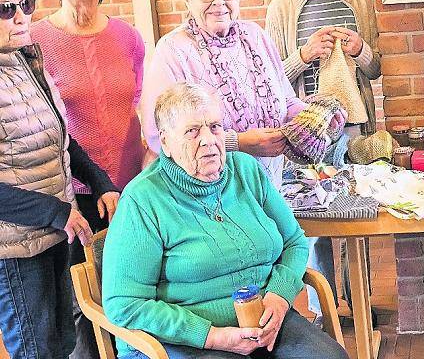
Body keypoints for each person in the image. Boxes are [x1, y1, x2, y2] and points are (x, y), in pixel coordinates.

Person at [102, 82, 348, 359]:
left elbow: (294, 241)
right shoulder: (143, 200)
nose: (208, 139)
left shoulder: (246, 171)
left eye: (215, 127)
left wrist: (279, 296)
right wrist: (211, 336)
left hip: (266, 318)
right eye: (192, 131)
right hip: (186, 338)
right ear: (166, 142)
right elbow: (125, 304)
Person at [30, 0, 146, 359]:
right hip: (75, 194)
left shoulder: (129, 38)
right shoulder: (35, 42)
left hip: (131, 187)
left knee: (133, 287)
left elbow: (134, 102)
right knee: (85, 301)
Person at [0, 0, 118, 359]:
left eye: (25, 4)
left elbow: (61, 138)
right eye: (5, 9)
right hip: (14, 249)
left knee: (65, 341)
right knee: (37, 350)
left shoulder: (24, 59)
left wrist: (100, 181)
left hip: (54, 230)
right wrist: (55, 211)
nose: (20, 17)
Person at [266, 0, 381, 319]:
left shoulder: (359, 0)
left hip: (350, 128)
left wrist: (359, 49)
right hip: (305, 133)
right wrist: (304, 54)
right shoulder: (281, 7)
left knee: (356, 216)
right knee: (312, 222)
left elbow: (376, 68)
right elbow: (271, 76)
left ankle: (358, 306)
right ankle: (321, 309)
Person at [140, 0, 305, 190]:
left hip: (270, 189)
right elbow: (158, 137)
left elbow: (287, 102)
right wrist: (236, 142)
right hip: (208, 196)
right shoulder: (173, 51)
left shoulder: (256, 37)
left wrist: (312, 117)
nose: (219, 2)